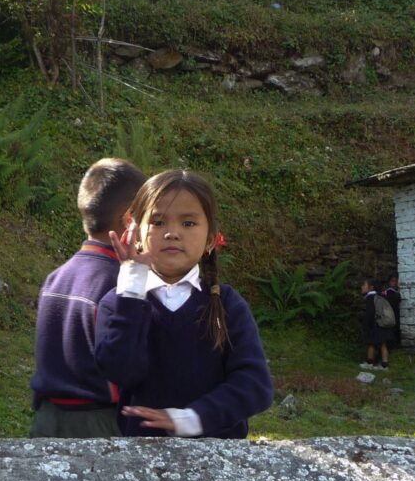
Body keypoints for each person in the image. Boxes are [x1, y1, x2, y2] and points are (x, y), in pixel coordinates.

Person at [94, 170, 274, 439]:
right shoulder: (117, 303)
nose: (172, 233)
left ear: (211, 239)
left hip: (220, 462)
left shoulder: (228, 305)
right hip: (144, 461)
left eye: (188, 223)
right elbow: (122, 371)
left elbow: (255, 386)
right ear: (137, 233)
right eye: (158, 222)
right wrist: (131, 287)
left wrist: (191, 418)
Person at [29, 158, 147, 438]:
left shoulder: (55, 277)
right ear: (129, 219)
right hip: (97, 421)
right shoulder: (121, 282)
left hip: (46, 419)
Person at [360, 278, 391, 370]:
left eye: (364, 285)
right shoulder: (381, 296)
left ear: (371, 287)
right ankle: (385, 365)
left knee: (371, 343)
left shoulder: (370, 298)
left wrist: (366, 325)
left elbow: (370, 314)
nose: (362, 287)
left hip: (375, 325)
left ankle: (369, 363)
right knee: (383, 344)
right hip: (384, 323)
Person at [383, 272, 402, 349]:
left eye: (396, 281)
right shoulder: (388, 293)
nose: (394, 283)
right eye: (392, 281)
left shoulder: (395, 293)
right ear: (389, 282)